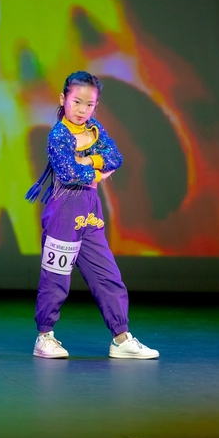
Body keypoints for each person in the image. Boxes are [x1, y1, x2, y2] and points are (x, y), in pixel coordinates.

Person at [26, 71, 159, 360]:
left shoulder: (95, 129)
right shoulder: (59, 135)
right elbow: (69, 173)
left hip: (90, 214)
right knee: (56, 278)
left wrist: (88, 160)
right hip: (64, 212)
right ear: (63, 99)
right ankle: (44, 336)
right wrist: (97, 172)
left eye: (89, 104)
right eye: (77, 102)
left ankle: (121, 338)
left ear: (96, 106)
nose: (82, 110)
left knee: (108, 276)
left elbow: (115, 158)